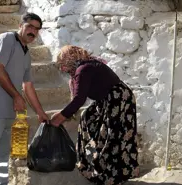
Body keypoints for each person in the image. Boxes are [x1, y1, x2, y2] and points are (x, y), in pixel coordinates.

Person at [0, 13, 49, 185]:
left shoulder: (26, 54)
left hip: (9, 113)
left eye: (37, 29)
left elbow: (27, 86)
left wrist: (40, 112)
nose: (33, 31)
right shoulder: (7, 39)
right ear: (20, 25)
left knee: (2, 156)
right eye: (29, 26)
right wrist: (16, 96)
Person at [50, 45, 139, 185]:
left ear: (71, 60)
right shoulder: (81, 69)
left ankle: (113, 174)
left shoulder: (84, 69)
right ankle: (92, 161)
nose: (62, 69)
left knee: (113, 136)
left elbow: (79, 99)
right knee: (87, 117)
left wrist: (60, 117)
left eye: (63, 64)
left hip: (119, 99)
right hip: (107, 99)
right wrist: (66, 113)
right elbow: (78, 97)